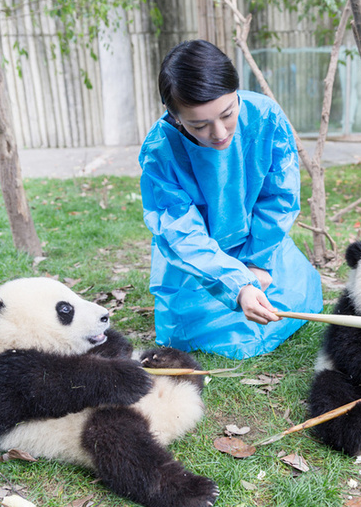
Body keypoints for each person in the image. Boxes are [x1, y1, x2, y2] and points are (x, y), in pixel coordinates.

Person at [138, 39, 323, 359]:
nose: (220, 133)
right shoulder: (160, 151)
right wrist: (237, 284)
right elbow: (181, 232)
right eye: (200, 125)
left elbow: (278, 196)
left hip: (258, 241)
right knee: (194, 332)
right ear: (175, 116)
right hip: (200, 259)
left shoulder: (265, 116)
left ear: (237, 93)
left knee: (296, 300)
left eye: (228, 114)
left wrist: (257, 262)